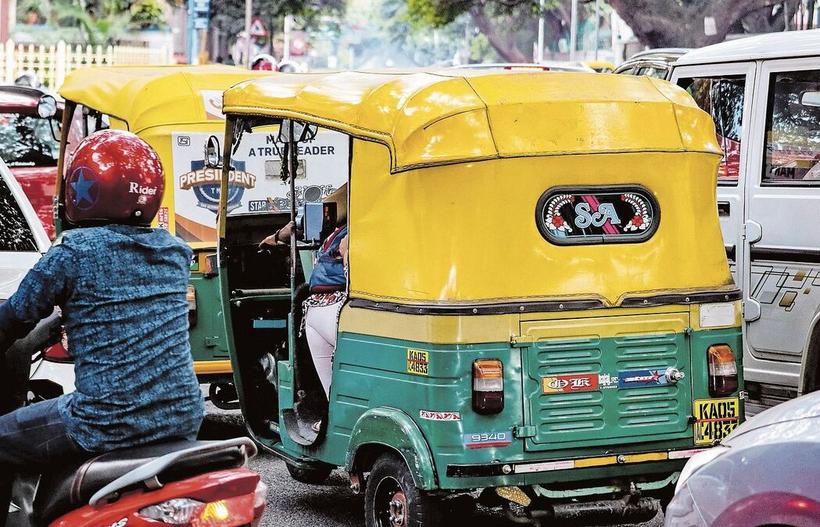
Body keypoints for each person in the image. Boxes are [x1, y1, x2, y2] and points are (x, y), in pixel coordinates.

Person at [0, 130, 204, 522]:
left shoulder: (71, 253)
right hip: (182, 416)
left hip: (105, 420)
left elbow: (14, 317)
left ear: (84, 188)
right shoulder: (175, 253)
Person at [259, 186, 348, 415]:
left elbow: (301, 225)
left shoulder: (349, 231)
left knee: (303, 305)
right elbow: (297, 227)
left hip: (334, 304)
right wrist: (277, 237)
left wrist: (275, 238)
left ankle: (318, 404)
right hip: (336, 304)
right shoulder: (344, 227)